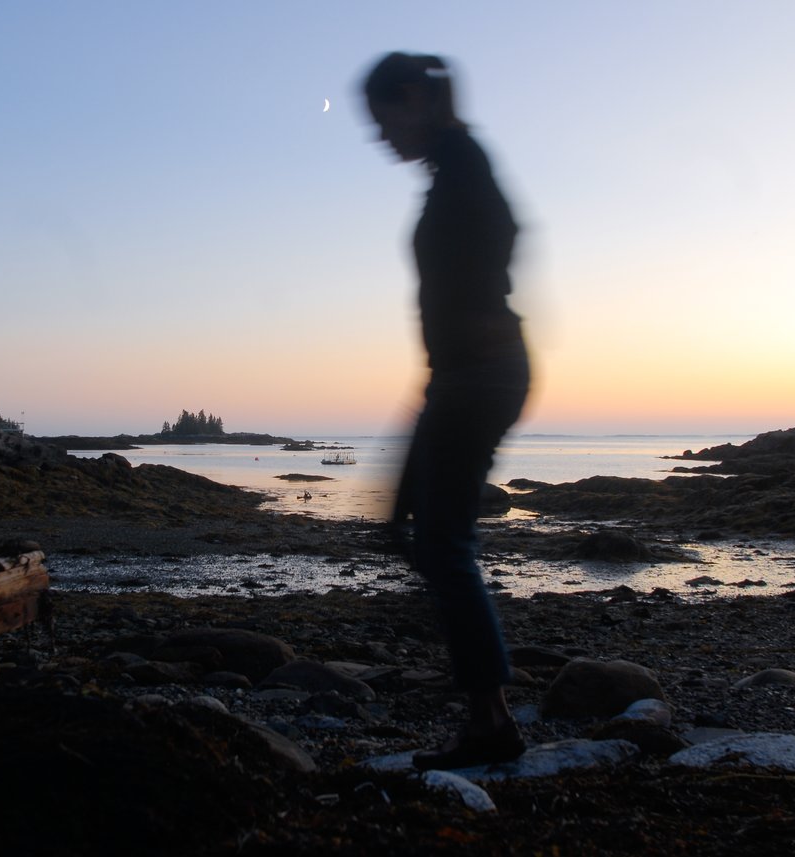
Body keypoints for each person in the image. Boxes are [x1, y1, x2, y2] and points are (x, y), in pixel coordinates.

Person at [363, 51, 530, 770]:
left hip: (480, 372)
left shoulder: (461, 158)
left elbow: (506, 231)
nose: (379, 138)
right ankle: (479, 689)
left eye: (384, 118)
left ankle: (489, 716)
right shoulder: (449, 167)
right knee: (402, 524)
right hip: (461, 374)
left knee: (441, 541)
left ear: (412, 101)